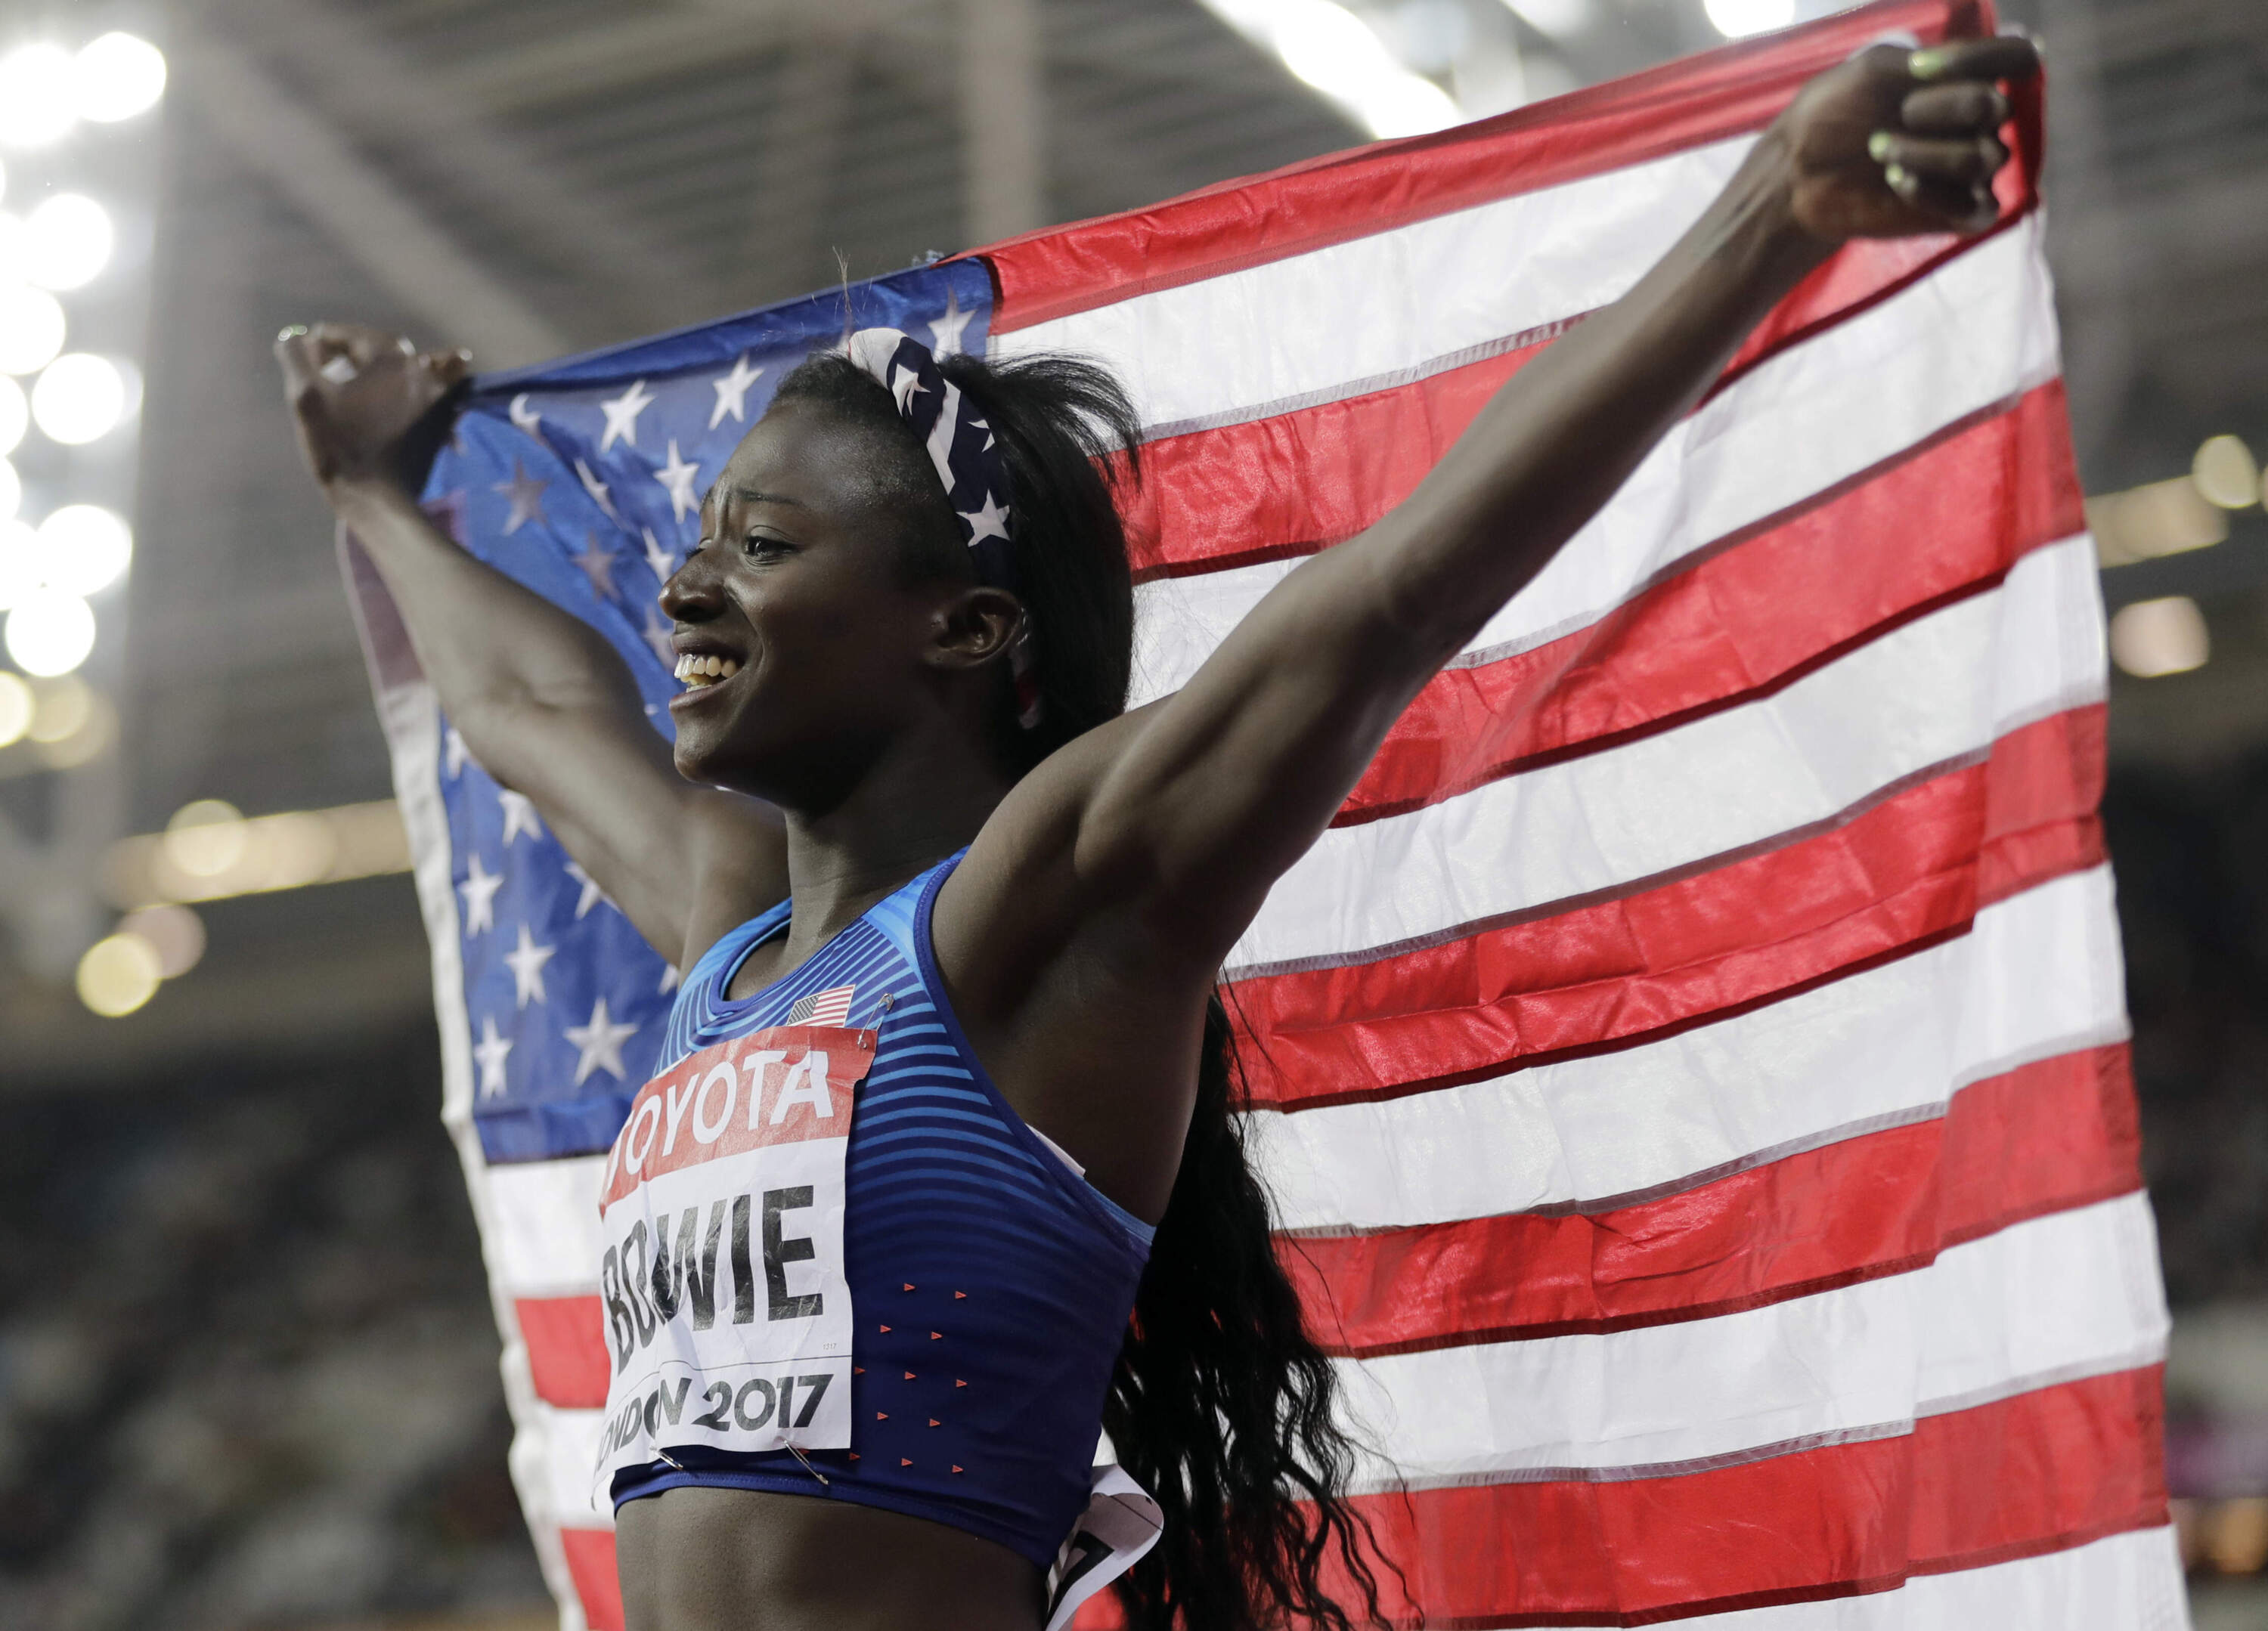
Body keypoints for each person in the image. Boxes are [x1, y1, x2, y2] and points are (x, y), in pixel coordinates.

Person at [277, 36, 2038, 1631]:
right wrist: (379, 491)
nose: (684, 583)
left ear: (964, 628)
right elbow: (529, 719)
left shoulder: (1048, 911)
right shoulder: (730, 938)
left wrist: (1771, 214)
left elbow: (1395, 592)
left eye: (762, 544)